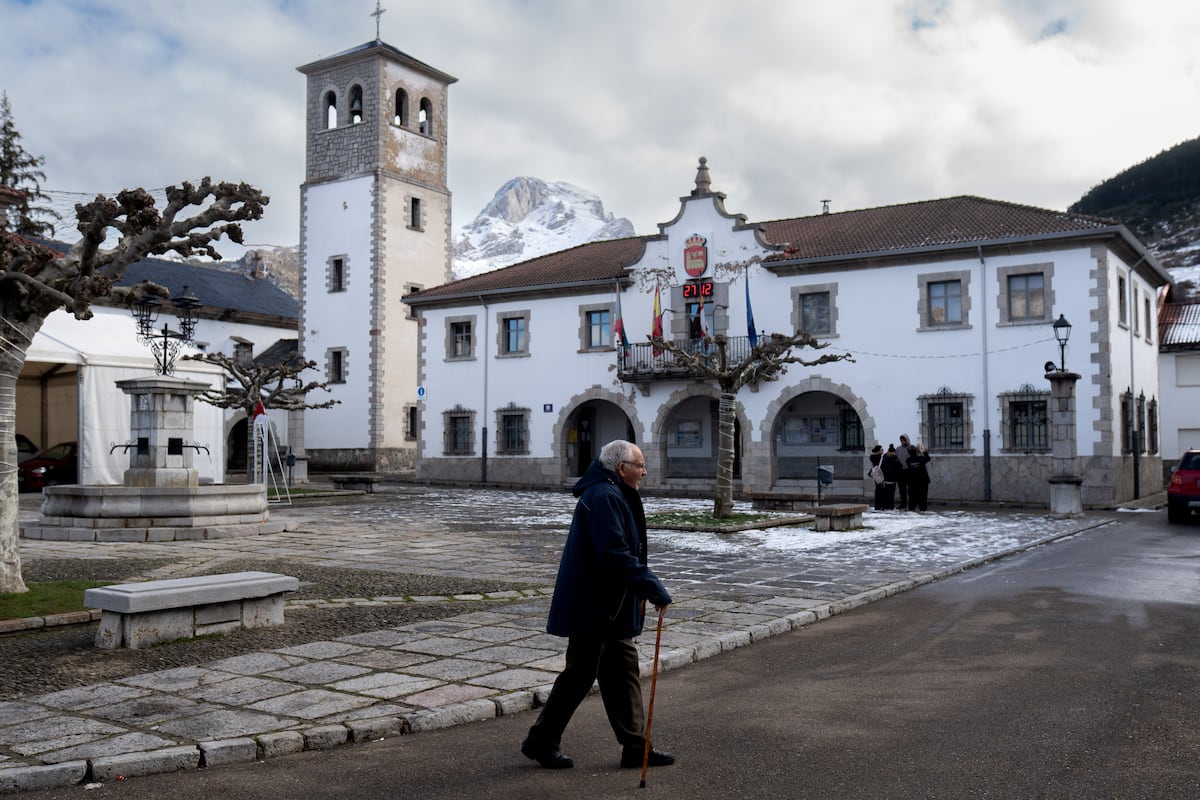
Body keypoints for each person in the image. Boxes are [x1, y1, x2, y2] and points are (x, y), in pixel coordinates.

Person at [521, 440, 676, 771]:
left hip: (610, 606)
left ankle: (635, 747)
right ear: (622, 469)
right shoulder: (604, 496)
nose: (644, 471)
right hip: (595, 606)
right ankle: (541, 741)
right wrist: (651, 587)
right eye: (640, 465)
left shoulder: (611, 492)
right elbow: (613, 553)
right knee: (580, 675)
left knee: (622, 672)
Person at [905, 443, 931, 511]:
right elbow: (928, 458)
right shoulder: (921, 459)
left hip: (912, 483)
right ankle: (922, 510)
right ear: (916, 451)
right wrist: (924, 451)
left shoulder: (908, 460)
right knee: (923, 498)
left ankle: (912, 510)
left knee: (912, 499)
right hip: (923, 482)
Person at [877, 444, 904, 510]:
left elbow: (881, 468)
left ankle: (885, 506)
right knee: (891, 495)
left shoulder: (884, 457)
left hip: (885, 480)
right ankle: (890, 507)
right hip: (893, 480)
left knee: (885, 494)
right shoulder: (895, 458)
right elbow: (900, 467)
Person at [895, 433, 912, 509]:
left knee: (910, 489)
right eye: (901, 440)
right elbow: (896, 459)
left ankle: (911, 504)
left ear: (907, 440)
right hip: (900, 472)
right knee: (902, 489)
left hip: (909, 471)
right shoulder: (898, 449)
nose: (902, 442)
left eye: (904, 440)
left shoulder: (911, 448)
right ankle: (903, 504)